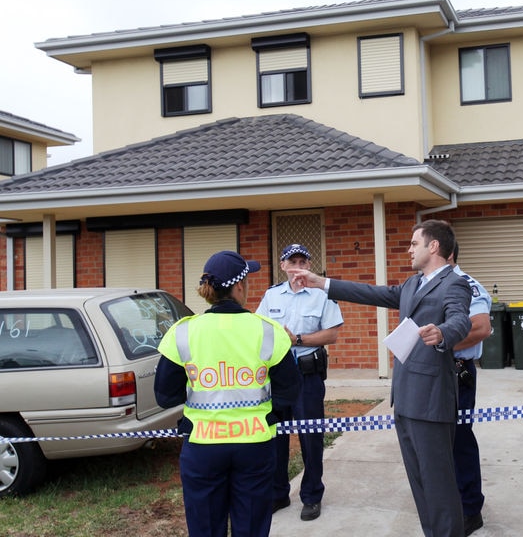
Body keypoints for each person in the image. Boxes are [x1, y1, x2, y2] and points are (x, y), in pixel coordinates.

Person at [287, 219, 472, 537]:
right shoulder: (413, 284)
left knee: (439, 487)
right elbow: (371, 293)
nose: (409, 249)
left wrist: (442, 332)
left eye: (415, 243)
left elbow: (460, 320)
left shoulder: (455, 283)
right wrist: (321, 282)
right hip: (405, 398)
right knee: (421, 486)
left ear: (434, 246)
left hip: (430, 401)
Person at [154, 250, 301, 537]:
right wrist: (267, 414)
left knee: (206, 528)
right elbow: (290, 391)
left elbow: (164, 395)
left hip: (202, 447)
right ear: (238, 287)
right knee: (251, 528)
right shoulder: (268, 330)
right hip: (255, 445)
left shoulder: (183, 332)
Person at [256, 243, 343, 521]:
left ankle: (312, 496)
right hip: (278, 377)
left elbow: (331, 335)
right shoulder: (271, 296)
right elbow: (260, 330)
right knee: (276, 438)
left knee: (311, 438)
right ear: (283, 266)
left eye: (302, 262)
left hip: (308, 375)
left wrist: (298, 340)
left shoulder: (322, 295)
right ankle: (279, 493)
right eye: (291, 262)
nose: (297, 267)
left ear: (308, 265)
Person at [447, 243, 492, 536]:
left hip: (457, 372)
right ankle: (448, 502)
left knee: (460, 439)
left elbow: (480, 328)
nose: (411, 250)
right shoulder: (430, 286)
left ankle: (470, 509)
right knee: (438, 441)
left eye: (417, 244)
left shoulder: (467, 286)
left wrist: (438, 346)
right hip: (432, 375)